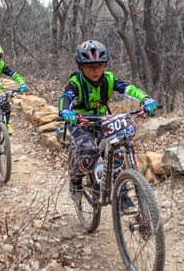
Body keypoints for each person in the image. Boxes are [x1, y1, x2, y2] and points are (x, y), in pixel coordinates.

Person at [58, 39, 157, 214]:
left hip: (103, 119)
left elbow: (128, 89)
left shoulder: (109, 80)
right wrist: (66, 111)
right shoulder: (77, 82)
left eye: (99, 65)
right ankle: (75, 181)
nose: (96, 70)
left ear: (105, 64)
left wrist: (145, 99)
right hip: (80, 121)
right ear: (80, 66)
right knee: (87, 152)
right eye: (90, 66)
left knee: (118, 151)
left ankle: (122, 193)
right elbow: (66, 96)